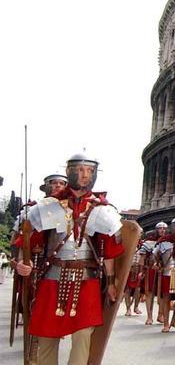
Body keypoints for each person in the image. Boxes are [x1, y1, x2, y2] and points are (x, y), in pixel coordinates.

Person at [15, 153, 126, 365]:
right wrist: (23, 262)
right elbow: (27, 241)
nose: (85, 175)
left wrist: (111, 282)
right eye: (80, 170)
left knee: (84, 334)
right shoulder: (47, 207)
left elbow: (110, 250)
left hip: (87, 280)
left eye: (90, 171)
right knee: (47, 335)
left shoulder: (102, 209)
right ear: (69, 171)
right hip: (52, 278)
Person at [153, 217, 175, 333]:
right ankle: (166, 323)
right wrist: (155, 263)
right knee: (166, 298)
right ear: (171, 227)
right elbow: (154, 255)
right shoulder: (163, 242)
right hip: (167, 272)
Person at [140, 221, 167, 325]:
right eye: (160, 228)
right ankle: (149, 316)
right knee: (149, 294)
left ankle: (160, 315)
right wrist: (142, 270)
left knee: (163, 294)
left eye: (164, 229)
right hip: (150, 270)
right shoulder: (148, 243)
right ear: (156, 230)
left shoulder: (168, 242)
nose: (162, 230)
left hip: (163, 270)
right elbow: (142, 258)